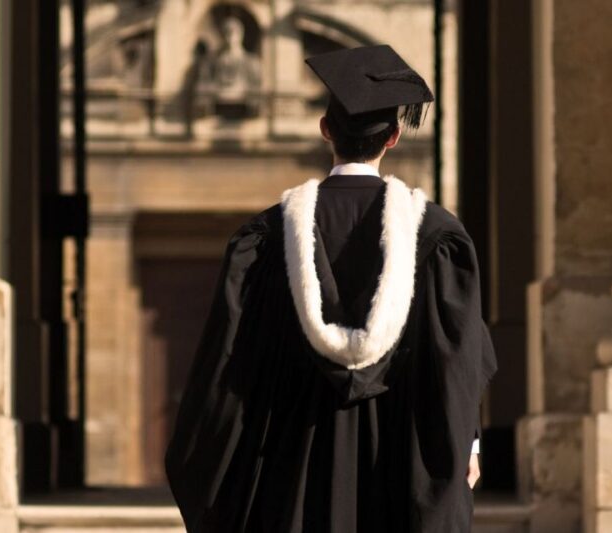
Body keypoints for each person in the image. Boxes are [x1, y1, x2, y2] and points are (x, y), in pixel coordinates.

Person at [165, 44, 498, 533]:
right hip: (396, 468)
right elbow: (456, 363)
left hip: (290, 468)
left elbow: (227, 369)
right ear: (393, 137)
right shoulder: (437, 238)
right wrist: (465, 442)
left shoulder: (265, 239)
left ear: (326, 131)